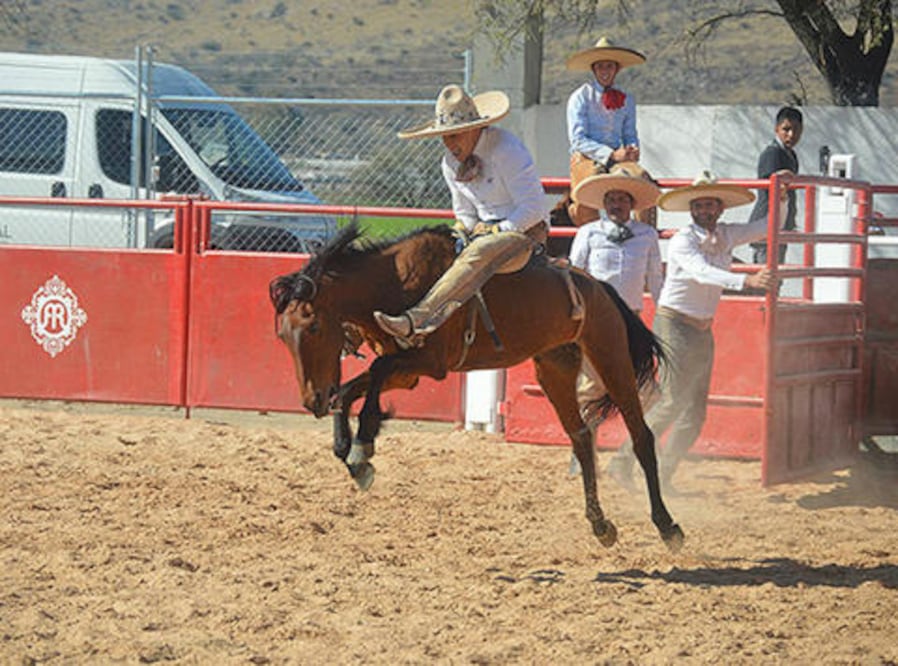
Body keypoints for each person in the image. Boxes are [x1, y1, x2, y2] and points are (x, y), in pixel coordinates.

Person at [607, 171, 778, 490]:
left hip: (699, 328)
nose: (705, 210)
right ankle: (623, 461)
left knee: (695, 411)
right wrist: (746, 281)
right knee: (672, 401)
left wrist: (782, 196)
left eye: (710, 205)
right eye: (699, 205)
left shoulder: (726, 234)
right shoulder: (683, 239)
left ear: (720, 209)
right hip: (675, 323)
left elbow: (765, 226)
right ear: (692, 210)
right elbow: (701, 272)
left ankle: (661, 474)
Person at [374, 84, 551, 346]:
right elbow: (464, 212)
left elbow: (534, 208)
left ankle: (416, 321)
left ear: (474, 129)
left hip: (525, 235)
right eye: (445, 136)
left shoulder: (507, 150)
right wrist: (466, 229)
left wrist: (496, 231)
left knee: (482, 249)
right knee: (432, 245)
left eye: (454, 135)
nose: (449, 143)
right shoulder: (449, 162)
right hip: (481, 233)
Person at [566, 162, 663, 475]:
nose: (616, 205)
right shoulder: (588, 233)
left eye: (622, 199)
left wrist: (660, 314)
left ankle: (629, 456)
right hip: (596, 321)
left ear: (631, 204)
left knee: (648, 393)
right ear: (603, 204)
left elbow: (656, 278)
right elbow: (573, 272)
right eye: (611, 200)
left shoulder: (647, 235)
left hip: (632, 321)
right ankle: (583, 454)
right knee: (590, 388)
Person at [565, 36, 647, 227]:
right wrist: (610, 154)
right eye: (601, 66)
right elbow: (577, 140)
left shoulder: (626, 99)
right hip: (586, 157)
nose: (605, 71)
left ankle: (643, 237)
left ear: (616, 69)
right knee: (590, 184)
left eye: (609, 66)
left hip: (619, 157)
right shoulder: (580, 97)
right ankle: (590, 234)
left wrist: (632, 149)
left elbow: (629, 132)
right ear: (594, 69)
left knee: (643, 182)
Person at [749, 106, 803, 265]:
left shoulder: (790, 153)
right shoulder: (773, 153)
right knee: (766, 275)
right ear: (776, 129)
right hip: (767, 222)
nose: (791, 135)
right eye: (786, 129)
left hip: (780, 223)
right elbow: (771, 185)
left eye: (796, 130)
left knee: (775, 275)